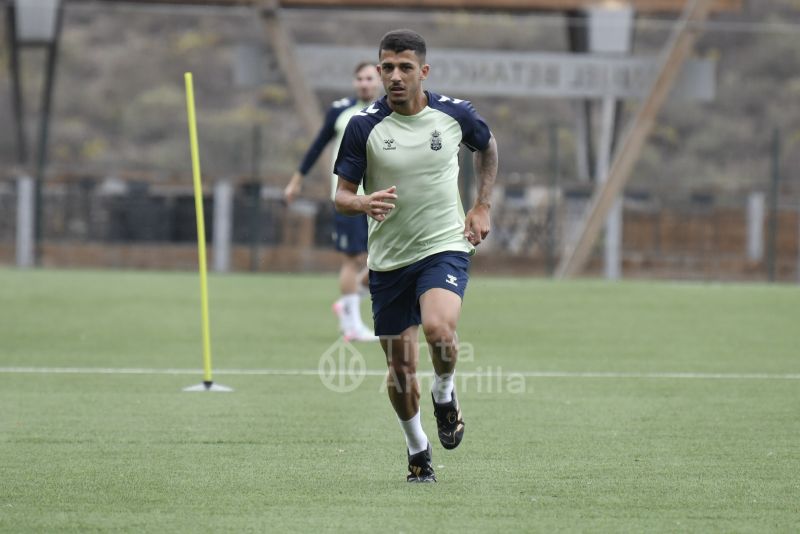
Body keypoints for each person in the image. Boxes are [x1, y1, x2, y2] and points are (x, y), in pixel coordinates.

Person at [333, 29, 499, 482]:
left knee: (439, 329)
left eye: (405, 67)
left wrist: (482, 204)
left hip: (444, 245)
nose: (395, 76)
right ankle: (417, 447)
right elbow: (341, 196)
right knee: (401, 370)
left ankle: (444, 392)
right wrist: (362, 202)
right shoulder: (363, 126)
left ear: (423, 71)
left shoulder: (454, 114)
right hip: (389, 260)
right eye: (387, 67)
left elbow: (487, 146)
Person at [284, 61, 382, 342]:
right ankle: (351, 325)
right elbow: (318, 145)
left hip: (379, 196)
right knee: (353, 259)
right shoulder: (340, 111)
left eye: (369, 78)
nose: (364, 83)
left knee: (381, 259)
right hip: (348, 197)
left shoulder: (388, 111)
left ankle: (348, 302)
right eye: (360, 78)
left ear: (379, 81)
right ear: (354, 82)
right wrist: (297, 180)